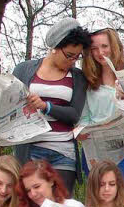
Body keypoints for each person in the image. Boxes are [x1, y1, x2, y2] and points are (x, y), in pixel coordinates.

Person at [8, 18, 90, 195]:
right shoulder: (23, 70)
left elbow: (74, 114)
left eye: (77, 56)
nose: (73, 61)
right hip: (31, 151)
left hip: (63, 152)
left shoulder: (77, 77)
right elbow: (7, 104)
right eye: (69, 55)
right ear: (54, 46)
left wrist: (46, 106)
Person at [78, 27, 124, 207]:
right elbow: (83, 118)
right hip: (96, 152)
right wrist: (80, 132)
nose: (100, 53)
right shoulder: (87, 81)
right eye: (94, 49)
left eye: (105, 46)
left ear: (114, 46)